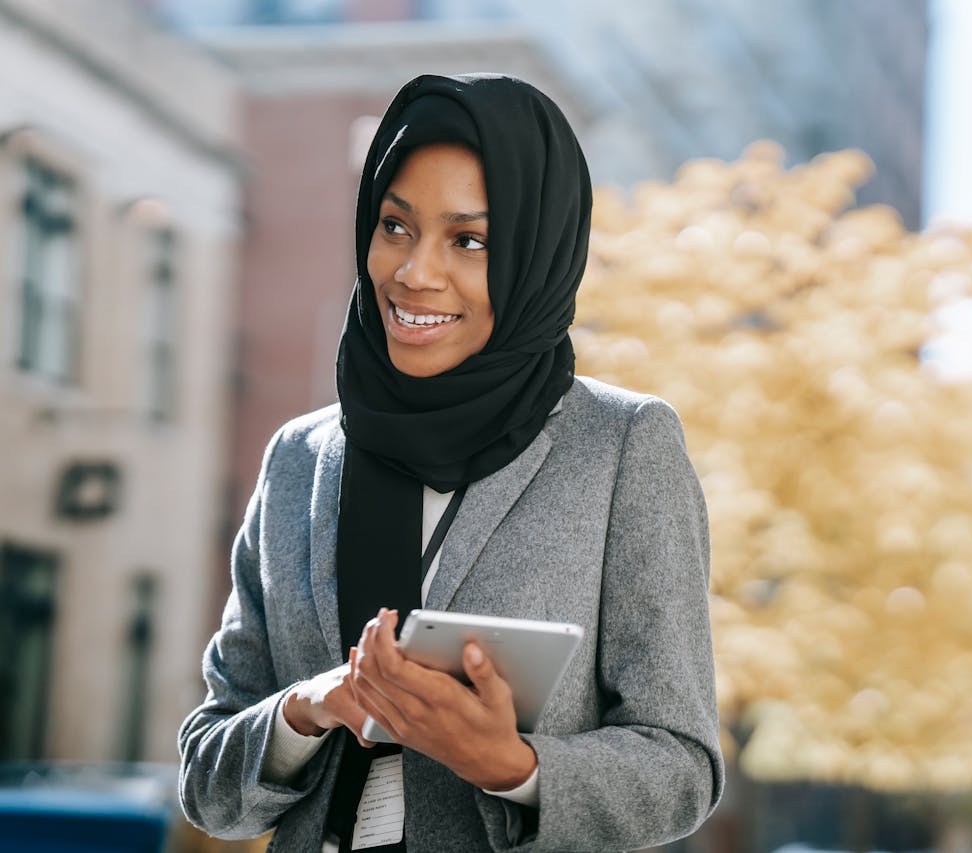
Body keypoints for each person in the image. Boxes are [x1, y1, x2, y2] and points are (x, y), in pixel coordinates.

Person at [177, 73, 723, 852]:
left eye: (469, 241)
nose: (415, 272)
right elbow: (207, 782)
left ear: (538, 252)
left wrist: (511, 765)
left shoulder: (624, 445)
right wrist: (310, 705)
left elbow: (683, 767)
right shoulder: (301, 457)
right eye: (396, 226)